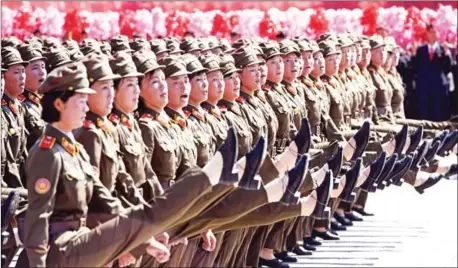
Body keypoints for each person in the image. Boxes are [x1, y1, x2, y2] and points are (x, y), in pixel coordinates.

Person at [22, 62, 240, 267]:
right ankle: (208, 177)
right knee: (146, 216)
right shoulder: (47, 152)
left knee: (141, 216)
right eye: (80, 100)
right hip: (61, 249)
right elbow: (37, 218)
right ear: (59, 104)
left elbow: (105, 201)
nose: (85, 106)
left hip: (81, 242)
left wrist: (144, 241)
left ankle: (213, 178)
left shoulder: (74, 150)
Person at [1, 47, 29, 188]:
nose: (22, 76)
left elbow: (22, 154)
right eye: (16, 72)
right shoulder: (3, 110)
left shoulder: (18, 107)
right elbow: (8, 161)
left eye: (23, 71)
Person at [413, 24, 453, 121]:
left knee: (438, 112)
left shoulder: (443, 49)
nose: (433, 34)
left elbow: (448, 69)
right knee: (424, 112)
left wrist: (447, 54)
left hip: (438, 87)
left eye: (435, 32)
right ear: (427, 34)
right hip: (424, 86)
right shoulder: (421, 50)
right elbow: (416, 68)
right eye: (431, 32)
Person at [17, 44, 47, 150]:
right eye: (35, 68)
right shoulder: (20, 105)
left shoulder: (45, 101)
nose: (42, 72)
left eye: (43, 67)